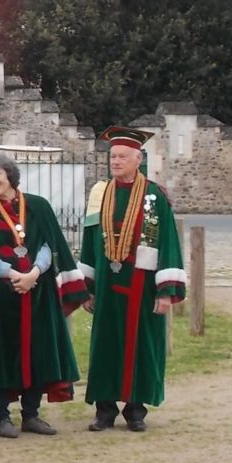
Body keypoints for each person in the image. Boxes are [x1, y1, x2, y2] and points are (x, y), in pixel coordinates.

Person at [0, 154, 88, 439]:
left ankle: (31, 414)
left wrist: (34, 273)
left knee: (37, 352)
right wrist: (13, 275)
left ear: (10, 174)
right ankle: (2, 416)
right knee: (3, 353)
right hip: (3, 295)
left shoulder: (38, 206)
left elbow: (50, 244)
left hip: (38, 292)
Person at [79, 127, 186, 432]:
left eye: (123, 156)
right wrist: (87, 286)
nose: (116, 161)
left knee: (141, 345)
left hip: (142, 286)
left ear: (138, 159)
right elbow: (89, 241)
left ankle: (135, 409)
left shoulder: (154, 195)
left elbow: (168, 243)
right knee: (105, 345)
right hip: (108, 286)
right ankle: (104, 409)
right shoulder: (100, 194)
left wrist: (166, 292)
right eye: (113, 156)